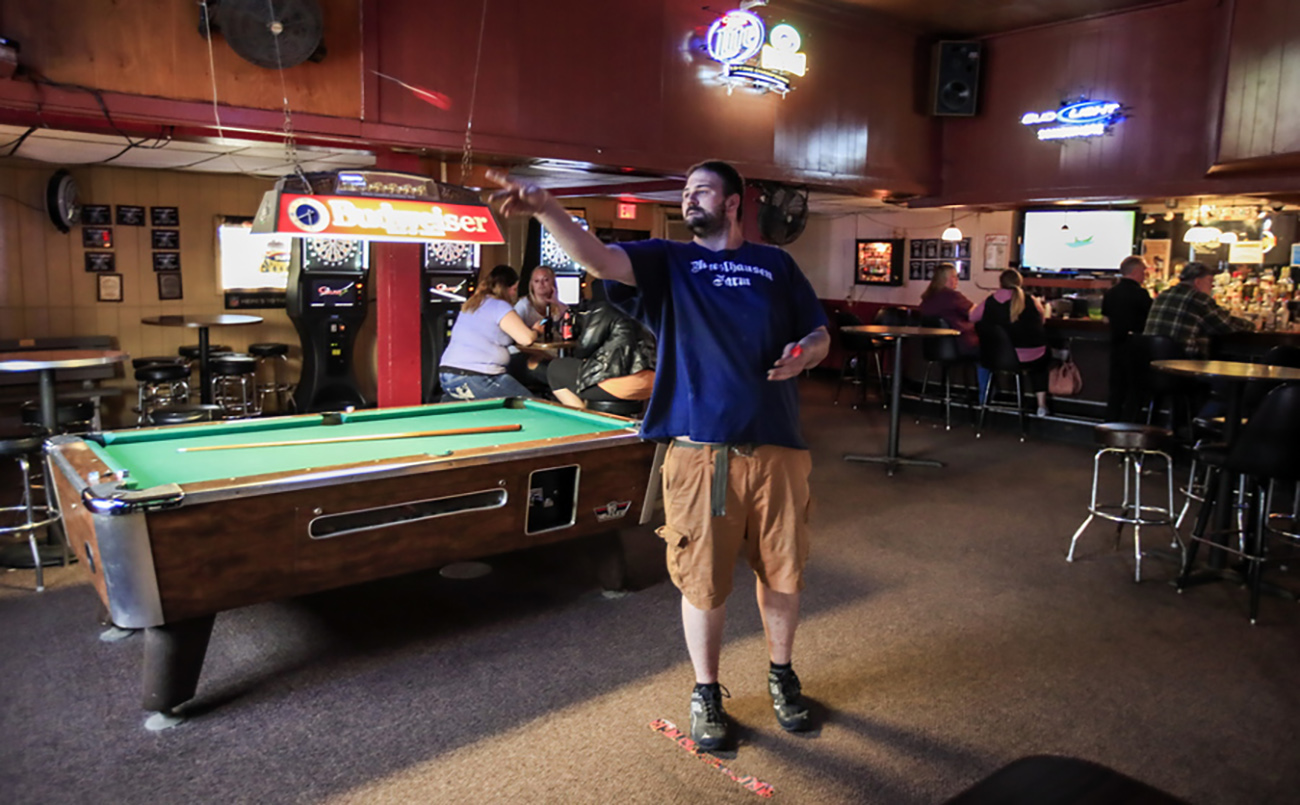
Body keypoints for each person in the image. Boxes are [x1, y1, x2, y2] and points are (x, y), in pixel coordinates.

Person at [489, 159, 830, 751]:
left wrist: (807, 353)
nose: (689, 198)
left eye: (701, 190)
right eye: (685, 190)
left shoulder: (776, 264)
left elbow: (819, 334)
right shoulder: (669, 260)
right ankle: (706, 691)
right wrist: (547, 208)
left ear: (733, 203)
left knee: (784, 571)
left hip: (778, 450)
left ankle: (782, 674)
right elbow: (599, 259)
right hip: (699, 454)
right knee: (702, 582)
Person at [438, 264, 542, 400]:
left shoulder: (473, 303)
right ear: (506, 288)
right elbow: (526, 339)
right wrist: (536, 330)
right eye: (514, 289)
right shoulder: (499, 305)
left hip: (447, 377)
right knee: (532, 404)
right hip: (475, 377)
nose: (514, 294)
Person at [546, 283, 656, 410]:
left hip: (617, 384)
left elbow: (584, 348)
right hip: (650, 383)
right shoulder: (643, 308)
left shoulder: (606, 308)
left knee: (555, 369)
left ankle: (586, 418)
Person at [971, 268, 1052, 417]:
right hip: (1031, 356)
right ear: (1019, 282)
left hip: (997, 357)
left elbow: (973, 317)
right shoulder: (1030, 300)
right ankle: (1041, 405)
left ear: (1000, 283)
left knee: (981, 357)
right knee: (1042, 363)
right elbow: (1041, 321)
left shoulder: (990, 300)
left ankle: (986, 401)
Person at [1143, 261, 1252, 358]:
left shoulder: (1163, 295)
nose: (1212, 286)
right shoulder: (1199, 299)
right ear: (1197, 282)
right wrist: (1252, 325)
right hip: (1183, 363)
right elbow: (1226, 325)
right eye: (1209, 281)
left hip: (1152, 361)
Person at [1101, 256, 1153, 421]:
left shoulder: (1111, 292)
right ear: (1136, 271)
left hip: (1116, 346)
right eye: (1144, 271)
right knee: (1134, 392)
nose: (1145, 275)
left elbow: (1105, 319)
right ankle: (1129, 429)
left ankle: (1109, 429)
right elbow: (1152, 319)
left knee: (1115, 391)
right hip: (1137, 348)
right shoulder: (1141, 294)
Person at [917, 262, 978, 355]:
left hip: (933, 347)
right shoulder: (953, 296)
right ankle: (983, 370)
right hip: (960, 345)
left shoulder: (927, 298)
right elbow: (975, 313)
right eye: (954, 276)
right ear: (947, 279)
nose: (957, 279)